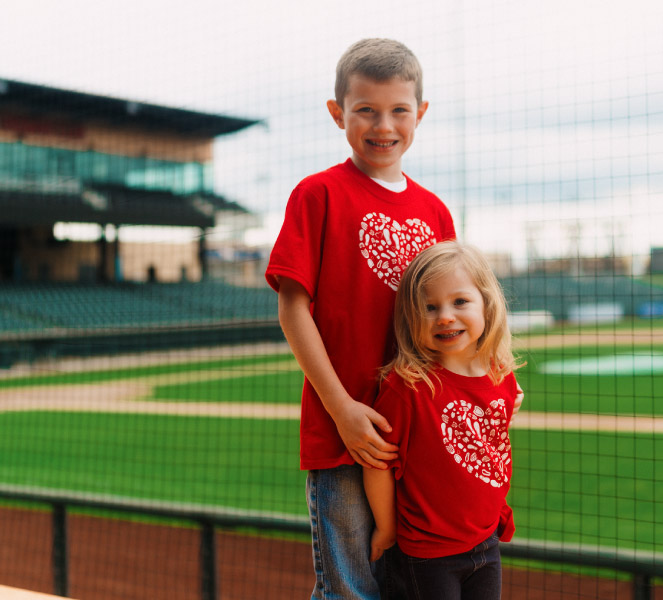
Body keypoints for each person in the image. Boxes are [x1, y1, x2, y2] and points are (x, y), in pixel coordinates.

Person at [265, 38, 457, 599]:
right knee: (350, 588)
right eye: (366, 109)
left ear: (420, 113)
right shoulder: (317, 194)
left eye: (399, 110)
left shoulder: (435, 210)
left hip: (417, 431)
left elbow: (451, 321)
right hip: (345, 430)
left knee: (410, 582)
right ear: (338, 113)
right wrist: (342, 408)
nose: (384, 124)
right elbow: (292, 307)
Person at [364, 241, 522, 600]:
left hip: (486, 541)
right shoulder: (408, 388)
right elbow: (378, 462)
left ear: (487, 303)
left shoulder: (502, 376)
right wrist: (386, 528)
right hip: (430, 555)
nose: (445, 316)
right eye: (430, 307)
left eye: (460, 302)